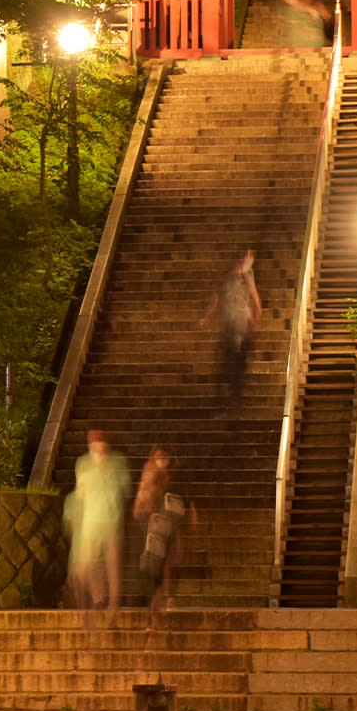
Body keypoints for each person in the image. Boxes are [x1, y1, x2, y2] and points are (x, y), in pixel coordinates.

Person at [67, 431, 129, 613]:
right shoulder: (83, 464)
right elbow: (81, 494)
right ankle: (98, 597)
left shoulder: (118, 463)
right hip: (90, 522)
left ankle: (113, 605)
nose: (98, 446)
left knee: (113, 565)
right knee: (90, 562)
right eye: (94, 442)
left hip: (112, 521)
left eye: (100, 441)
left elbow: (125, 491)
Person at [134, 447, 194, 620]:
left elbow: (185, 495)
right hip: (155, 526)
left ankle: (170, 597)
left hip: (174, 525)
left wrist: (191, 512)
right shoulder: (150, 473)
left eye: (164, 457)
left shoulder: (175, 475)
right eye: (158, 457)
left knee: (173, 561)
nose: (162, 460)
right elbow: (143, 497)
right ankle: (158, 601)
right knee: (159, 564)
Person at [201, 250, 262, 410]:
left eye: (243, 261)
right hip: (229, 327)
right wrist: (207, 317)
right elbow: (217, 298)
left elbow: (255, 300)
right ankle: (228, 393)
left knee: (237, 362)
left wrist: (253, 323)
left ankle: (234, 394)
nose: (240, 264)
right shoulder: (227, 279)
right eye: (240, 261)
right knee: (228, 360)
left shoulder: (247, 278)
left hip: (241, 327)